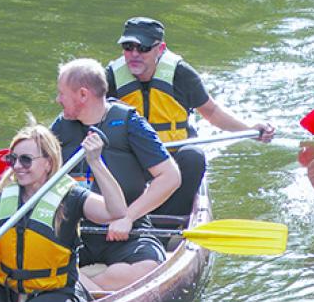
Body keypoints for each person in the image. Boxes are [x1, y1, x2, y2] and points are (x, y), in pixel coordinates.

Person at [0, 120, 130, 302]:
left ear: (48, 163)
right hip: (8, 292)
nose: (17, 166)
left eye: (25, 159)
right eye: (12, 159)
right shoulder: (4, 200)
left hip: (55, 294)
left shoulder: (71, 197)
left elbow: (116, 211)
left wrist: (95, 161)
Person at [104, 17, 274, 219]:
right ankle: (120, 214)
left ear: (160, 48)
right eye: (128, 46)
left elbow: (211, 112)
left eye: (143, 48)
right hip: (131, 158)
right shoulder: (110, 77)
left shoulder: (181, 75)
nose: (134, 54)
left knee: (194, 156)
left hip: (171, 159)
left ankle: (170, 223)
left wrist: (249, 130)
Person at [51, 58, 180, 292]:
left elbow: (170, 176)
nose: (58, 100)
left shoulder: (130, 123)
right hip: (76, 229)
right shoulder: (59, 128)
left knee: (148, 268)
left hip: (126, 230)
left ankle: (74, 287)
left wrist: (128, 217)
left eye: (62, 93)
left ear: (83, 94)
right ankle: (86, 288)